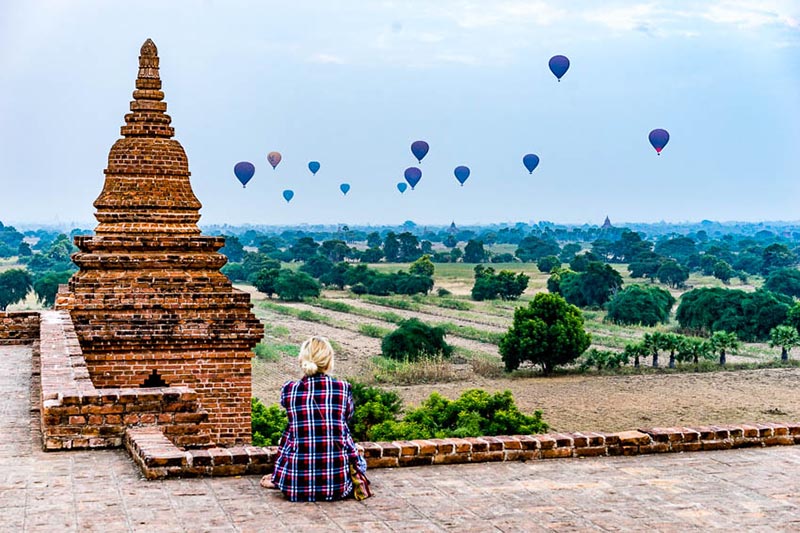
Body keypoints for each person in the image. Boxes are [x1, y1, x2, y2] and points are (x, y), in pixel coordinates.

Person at [266, 336, 367, 501]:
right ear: (329, 362)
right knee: (357, 456)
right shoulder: (343, 388)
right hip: (338, 488)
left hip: (294, 488)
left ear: (302, 360)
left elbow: (290, 413)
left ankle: (277, 477)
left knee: (291, 431)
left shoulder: (289, 389)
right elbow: (347, 417)